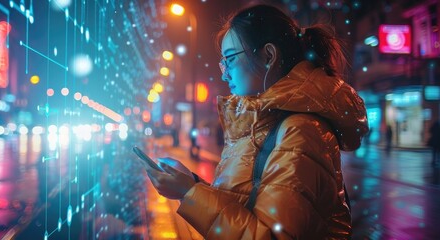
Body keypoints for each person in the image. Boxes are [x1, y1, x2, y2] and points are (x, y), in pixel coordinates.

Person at [141, 4, 368, 239]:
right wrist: (192, 185)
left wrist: (190, 193)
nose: (224, 73)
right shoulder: (266, 123)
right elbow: (245, 206)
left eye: (230, 59)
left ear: (269, 55)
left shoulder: (300, 131)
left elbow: (269, 235)